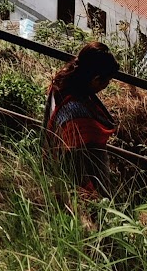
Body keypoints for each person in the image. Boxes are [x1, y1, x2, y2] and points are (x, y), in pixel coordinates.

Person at [44, 42, 119, 195]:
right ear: (96, 79)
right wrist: (93, 195)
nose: (106, 86)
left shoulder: (61, 83)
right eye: (106, 81)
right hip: (84, 190)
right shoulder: (76, 115)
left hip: (55, 169)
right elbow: (76, 164)